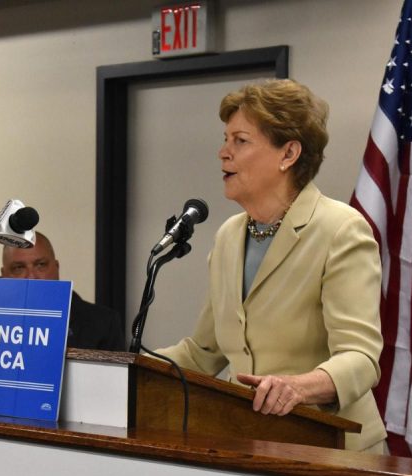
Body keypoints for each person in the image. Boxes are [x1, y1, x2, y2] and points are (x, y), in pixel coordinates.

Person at [156, 79, 387, 453]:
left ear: (289, 153)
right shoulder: (229, 236)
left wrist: (298, 387)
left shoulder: (340, 230)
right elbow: (203, 353)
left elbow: (360, 358)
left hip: (333, 448)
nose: (223, 153)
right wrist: (124, 366)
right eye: (226, 139)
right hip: (248, 442)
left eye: (240, 141)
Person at [1, 231, 125, 352]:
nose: (31, 277)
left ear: (56, 268)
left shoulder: (103, 324)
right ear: (4, 275)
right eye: (19, 268)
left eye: (41, 265)